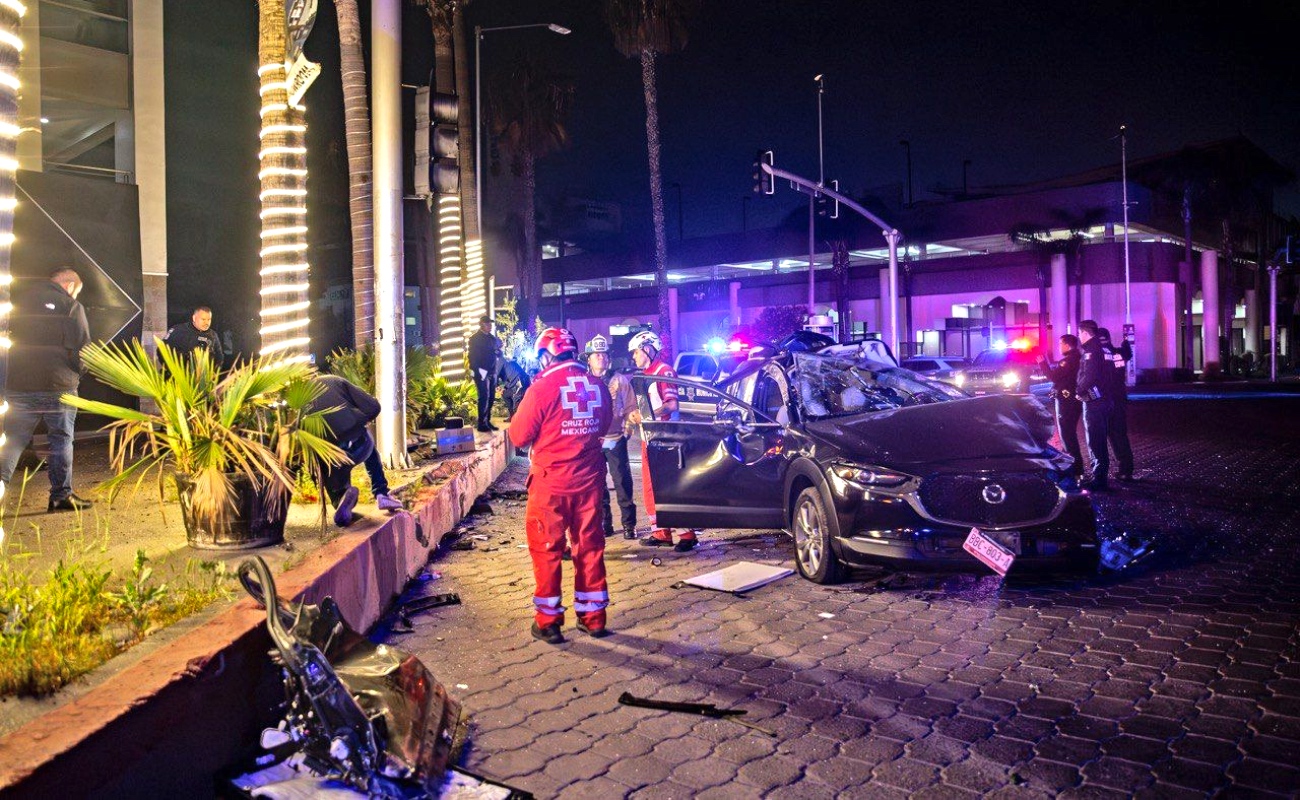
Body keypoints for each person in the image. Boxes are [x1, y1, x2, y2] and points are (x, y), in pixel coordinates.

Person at [508, 327, 613, 644]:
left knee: (547, 551)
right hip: (590, 482)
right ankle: (594, 619)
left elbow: (518, 436)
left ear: (545, 356)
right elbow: (604, 425)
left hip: (551, 486)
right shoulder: (597, 386)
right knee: (590, 549)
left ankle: (549, 622)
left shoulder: (541, 388)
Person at [0, 268, 93, 512]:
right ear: (70, 284)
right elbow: (82, 349)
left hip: (19, 384)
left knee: (12, 441)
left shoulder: (18, 300)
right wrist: (76, 374)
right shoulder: (71, 306)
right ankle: (60, 497)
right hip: (59, 385)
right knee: (61, 440)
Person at [627, 330, 700, 552]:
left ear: (648, 350)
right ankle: (661, 532)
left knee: (669, 486)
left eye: (636, 352)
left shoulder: (664, 371)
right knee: (651, 486)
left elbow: (671, 405)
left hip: (665, 438)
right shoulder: (645, 374)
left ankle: (687, 534)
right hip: (650, 438)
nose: (633, 357)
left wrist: (646, 416)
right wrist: (635, 415)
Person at [307, 373, 405, 527]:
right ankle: (381, 493)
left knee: (329, 473)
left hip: (329, 458)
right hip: (358, 445)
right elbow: (373, 407)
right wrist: (358, 418)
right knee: (365, 437)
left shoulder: (301, 402)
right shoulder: (335, 381)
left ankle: (341, 498)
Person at [586, 335, 638, 540]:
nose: (601, 358)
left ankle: (629, 525)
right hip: (592, 444)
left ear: (609, 359)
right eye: (596, 354)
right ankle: (604, 524)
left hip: (615, 440)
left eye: (604, 355)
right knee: (597, 485)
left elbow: (631, 408)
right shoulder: (583, 381)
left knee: (622, 483)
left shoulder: (619, 380)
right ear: (588, 359)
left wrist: (627, 430)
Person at [1038, 334, 1084, 477]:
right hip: (1073, 400)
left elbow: (1053, 377)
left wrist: (1042, 362)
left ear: (1067, 345)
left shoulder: (1068, 361)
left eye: (1060, 344)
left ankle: (1074, 469)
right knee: (1069, 434)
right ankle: (1074, 468)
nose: (1059, 347)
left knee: (1067, 435)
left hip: (1066, 400)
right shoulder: (1079, 358)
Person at [1075, 320, 1113, 491]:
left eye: (1079, 333)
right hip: (1106, 398)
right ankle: (1100, 475)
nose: (1078, 337)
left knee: (1095, 439)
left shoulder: (1091, 351)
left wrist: (1078, 390)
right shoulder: (1105, 348)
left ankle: (1099, 479)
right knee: (1100, 438)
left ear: (1085, 333)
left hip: (1094, 401)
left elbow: (1089, 376)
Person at [1098, 327, 1135, 481]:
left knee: (1110, 435)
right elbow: (1128, 353)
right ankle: (1126, 468)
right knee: (1119, 433)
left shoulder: (1100, 355)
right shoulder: (1119, 353)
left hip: (1107, 399)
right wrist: (1125, 341)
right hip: (1120, 397)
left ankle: (1120, 467)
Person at [468, 316, 499, 433]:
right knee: (484, 397)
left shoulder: (492, 338)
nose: (490, 326)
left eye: (490, 324)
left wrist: (498, 352)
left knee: (491, 397)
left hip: (492, 371)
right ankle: (481, 423)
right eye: (487, 324)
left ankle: (487, 421)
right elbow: (472, 357)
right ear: (481, 325)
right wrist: (478, 371)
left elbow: (495, 352)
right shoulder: (474, 339)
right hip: (481, 371)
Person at [497, 356, 531, 421]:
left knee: (517, 402)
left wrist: (498, 387)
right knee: (505, 394)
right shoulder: (511, 363)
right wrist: (504, 388)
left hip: (520, 384)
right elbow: (509, 379)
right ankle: (513, 416)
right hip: (524, 383)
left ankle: (517, 418)